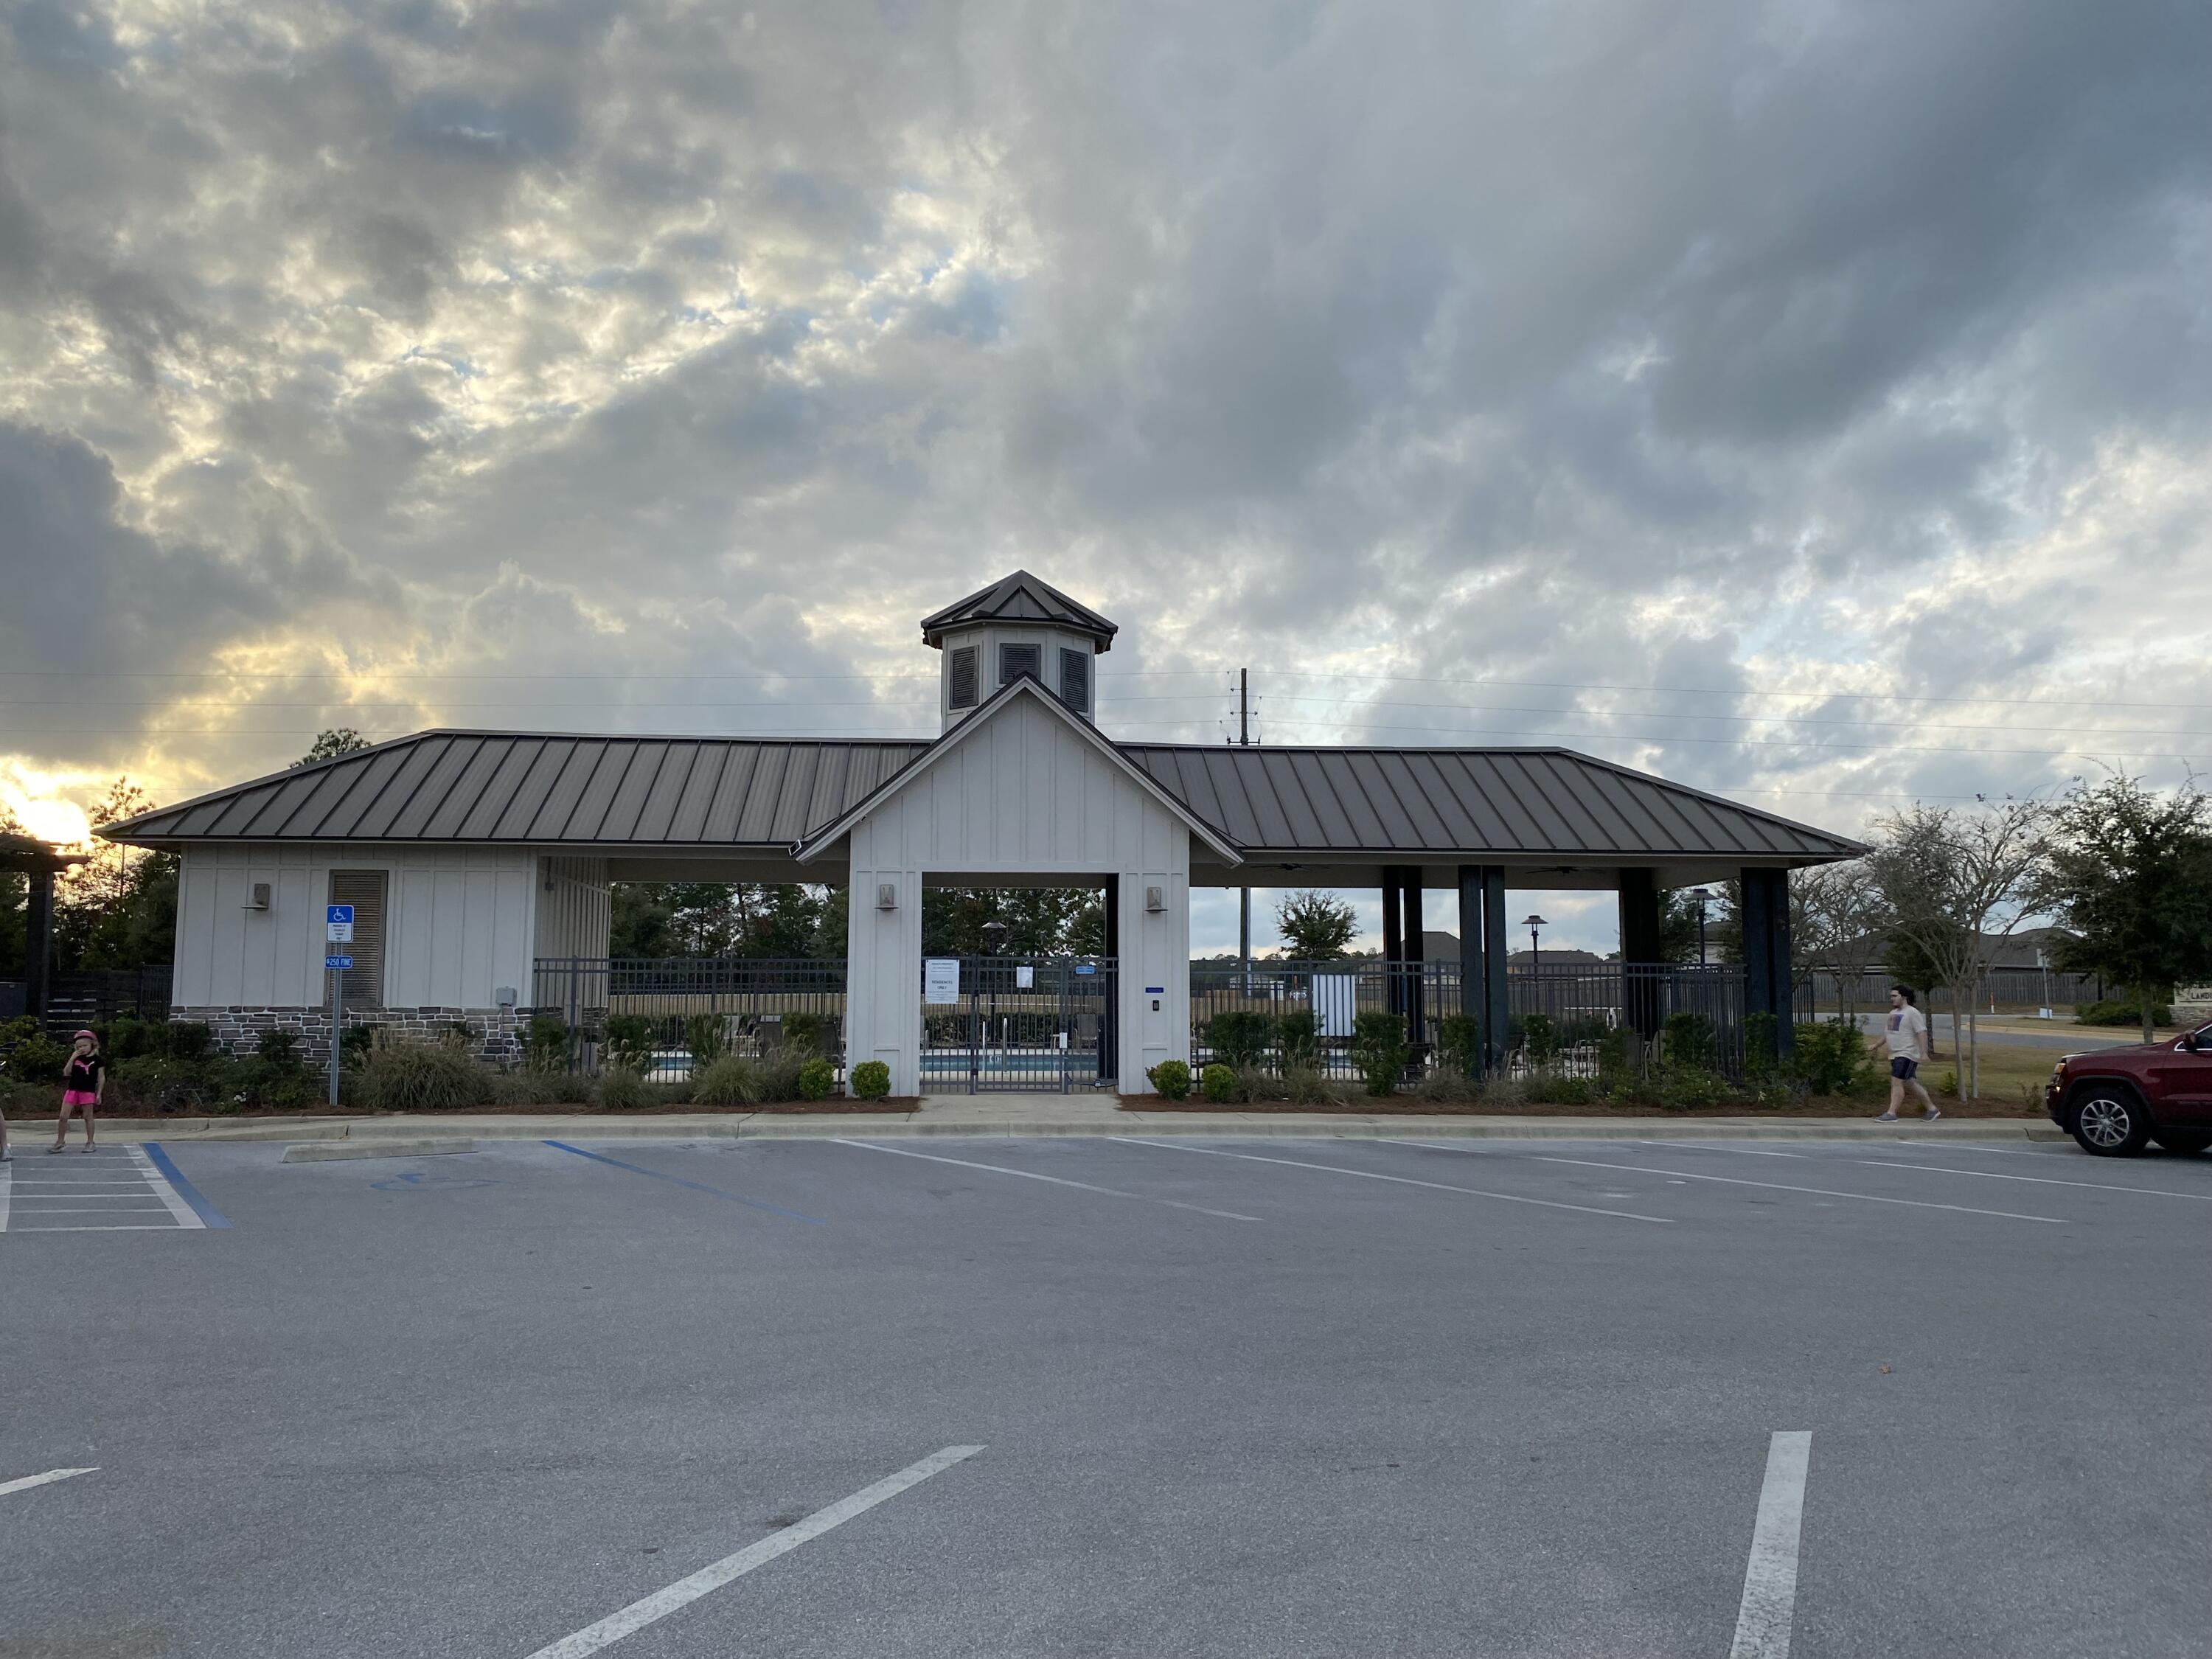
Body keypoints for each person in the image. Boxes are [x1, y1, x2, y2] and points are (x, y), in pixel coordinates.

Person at [1874, 987, 1938, 1123]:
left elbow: (1922, 1032)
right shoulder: (1892, 1013)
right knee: (1910, 1083)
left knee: (1896, 1082)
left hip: (1907, 1053)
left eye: (1895, 996)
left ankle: (1891, 1113)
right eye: (1891, 996)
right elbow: (1887, 1033)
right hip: (1894, 1054)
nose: (1892, 998)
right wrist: (1876, 1045)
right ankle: (1932, 1109)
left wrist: (1923, 1053)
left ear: (1904, 997)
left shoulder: (1912, 1013)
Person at [53, 1029, 104, 1153]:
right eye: (79, 1046)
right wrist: (72, 1058)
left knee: (88, 1116)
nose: (82, 1048)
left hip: (88, 1091)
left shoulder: (98, 1060)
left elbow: (101, 1077)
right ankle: (60, 1141)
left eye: (85, 1046)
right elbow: (66, 1073)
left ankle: (90, 1142)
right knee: (63, 1116)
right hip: (73, 1090)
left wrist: (99, 1093)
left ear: (92, 1044)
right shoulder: (76, 1058)